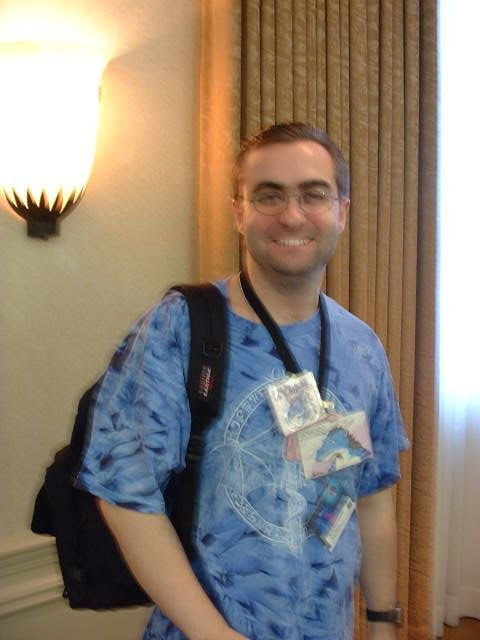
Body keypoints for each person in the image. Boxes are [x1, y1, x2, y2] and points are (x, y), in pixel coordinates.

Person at [74, 122, 409, 640]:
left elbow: (369, 494)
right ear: (238, 212)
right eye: (269, 195)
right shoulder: (178, 329)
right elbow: (127, 498)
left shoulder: (361, 346)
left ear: (342, 211)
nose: (292, 215)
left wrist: (383, 623)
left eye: (313, 194)